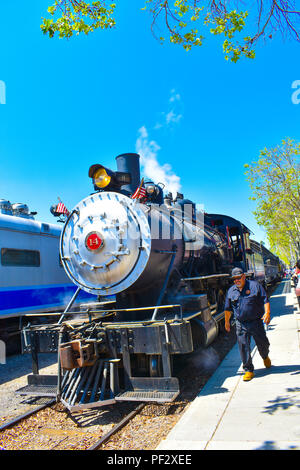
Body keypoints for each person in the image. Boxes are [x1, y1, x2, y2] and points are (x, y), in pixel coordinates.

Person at [224, 267, 271, 382]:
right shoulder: (231, 291)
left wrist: (267, 313)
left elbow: (265, 300)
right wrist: (226, 322)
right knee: (243, 346)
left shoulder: (255, 286)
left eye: (238, 278)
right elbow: (227, 309)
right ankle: (248, 370)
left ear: (244, 276)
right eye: (234, 279)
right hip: (241, 324)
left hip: (256, 322)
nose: (236, 280)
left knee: (263, 343)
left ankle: (265, 356)